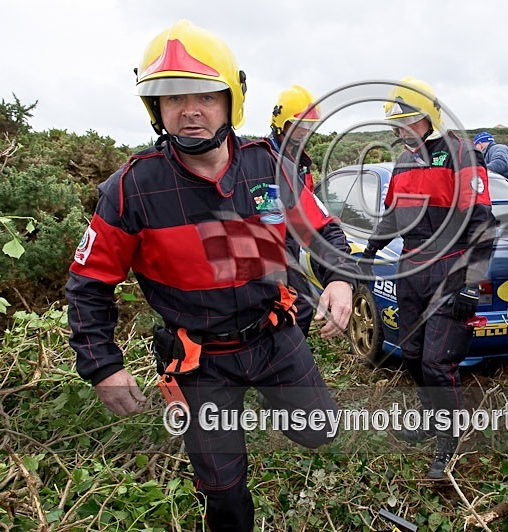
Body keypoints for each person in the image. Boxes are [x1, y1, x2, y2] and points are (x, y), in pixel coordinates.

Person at [65, 20, 355, 531]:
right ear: (156, 109)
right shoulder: (132, 189)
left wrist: (340, 279)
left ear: (231, 100)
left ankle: (272, 403)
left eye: (204, 95)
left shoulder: (271, 168)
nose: (189, 110)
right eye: (172, 98)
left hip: (275, 336)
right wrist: (103, 367)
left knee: (321, 432)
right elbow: (89, 286)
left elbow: (323, 231)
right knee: (223, 491)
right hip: (198, 360)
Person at [360, 77, 496, 479]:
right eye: (395, 124)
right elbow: (392, 218)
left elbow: (483, 224)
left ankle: (449, 442)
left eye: (406, 121)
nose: (400, 130)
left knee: (439, 363)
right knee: (415, 355)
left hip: (450, 270)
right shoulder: (402, 161)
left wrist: (470, 283)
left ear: (427, 117)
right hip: (410, 269)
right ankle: (430, 418)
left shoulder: (461, 153)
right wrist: (368, 253)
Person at [266, 85, 332, 337]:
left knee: (293, 305)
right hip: (272, 245)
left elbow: (309, 206)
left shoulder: (300, 163)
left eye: (308, 127)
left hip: (292, 242)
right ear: (281, 124)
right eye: (298, 126)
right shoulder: (267, 159)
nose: (304, 133)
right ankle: (287, 352)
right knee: (299, 305)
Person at [473, 131, 508, 196]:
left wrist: (478, 171)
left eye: (475, 146)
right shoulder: (488, 153)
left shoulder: (499, 148)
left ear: (480, 144)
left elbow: (499, 164)